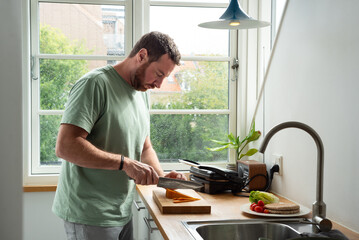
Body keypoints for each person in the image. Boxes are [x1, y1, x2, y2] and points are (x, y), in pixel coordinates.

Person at [52, 31, 186, 240]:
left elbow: (144, 148)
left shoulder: (141, 95)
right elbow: (66, 146)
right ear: (141, 55)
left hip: (122, 211)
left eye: (164, 78)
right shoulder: (95, 84)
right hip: (89, 214)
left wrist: (161, 178)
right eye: (158, 74)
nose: (159, 85)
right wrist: (126, 164)